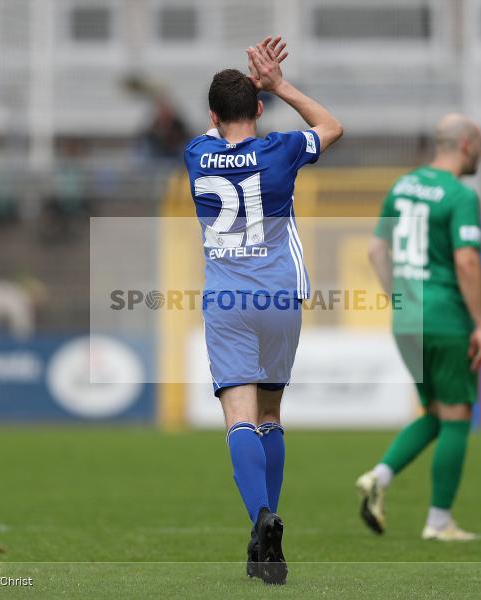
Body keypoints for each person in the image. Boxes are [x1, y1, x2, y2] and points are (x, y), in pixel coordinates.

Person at [183, 37, 342, 584]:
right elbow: (331, 126)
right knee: (271, 415)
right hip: (279, 295)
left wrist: (241, 99)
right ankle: (267, 544)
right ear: (258, 109)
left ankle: (261, 519)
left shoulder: (195, 154)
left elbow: (222, 129)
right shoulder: (281, 151)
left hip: (227, 299)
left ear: (211, 116)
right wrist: (278, 84)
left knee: (239, 418)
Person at [356, 113, 481, 542]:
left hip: (408, 317)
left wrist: (399, 299)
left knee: (434, 412)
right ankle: (439, 522)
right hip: (445, 316)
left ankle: (379, 476)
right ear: (466, 146)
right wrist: (480, 322)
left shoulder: (403, 185)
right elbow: (467, 261)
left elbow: (376, 249)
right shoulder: (460, 195)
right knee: (457, 415)